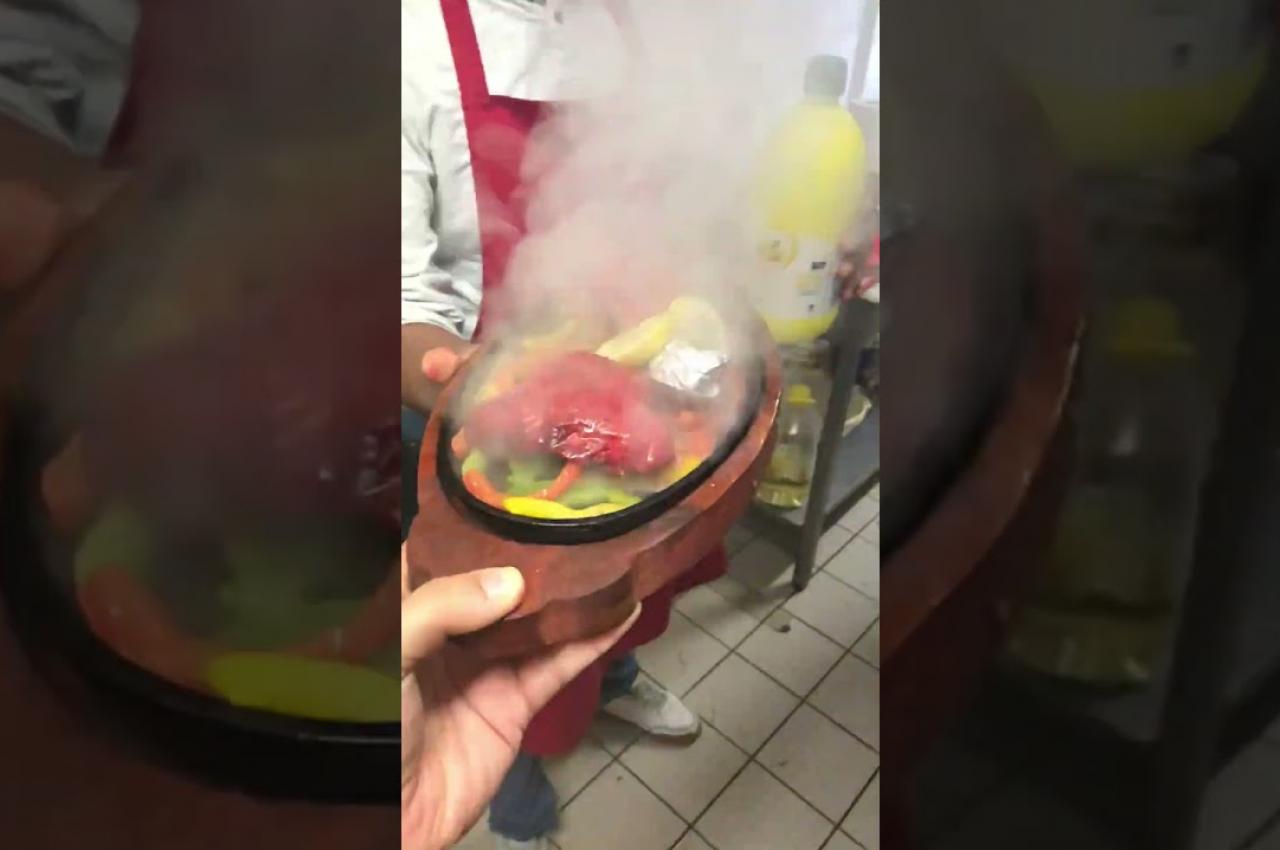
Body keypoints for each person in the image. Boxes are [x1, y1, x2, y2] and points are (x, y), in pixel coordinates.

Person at [400, 2, 718, 847]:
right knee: (504, 632)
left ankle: (616, 677)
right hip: (485, 410)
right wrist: (486, 389)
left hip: (622, 384)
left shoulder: (626, 19)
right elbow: (397, 296)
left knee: (627, 569)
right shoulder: (409, 39)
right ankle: (515, 808)